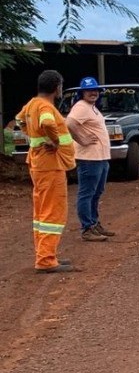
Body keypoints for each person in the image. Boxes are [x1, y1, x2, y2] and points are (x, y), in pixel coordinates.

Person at [16, 70, 77, 273]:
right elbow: (48, 123)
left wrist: (36, 138)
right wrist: (54, 140)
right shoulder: (44, 107)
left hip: (39, 164)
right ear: (57, 86)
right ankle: (46, 260)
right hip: (50, 165)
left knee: (42, 213)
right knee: (53, 211)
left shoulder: (32, 104)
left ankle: (45, 255)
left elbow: (19, 120)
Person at [66, 77, 116, 242]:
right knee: (87, 193)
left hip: (100, 158)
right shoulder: (81, 107)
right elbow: (69, 123)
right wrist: (81, 139)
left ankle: (94, 224)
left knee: (96, 193)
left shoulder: (92, 108)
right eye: (89, 90)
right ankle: (87, 228)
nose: (93, 93)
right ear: (82, 93)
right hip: (89, 159)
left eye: (95, 90)